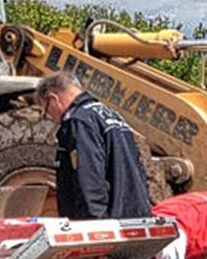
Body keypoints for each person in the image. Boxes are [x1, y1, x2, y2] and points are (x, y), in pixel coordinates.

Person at [35, 72, 152, 220]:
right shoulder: (113, 116)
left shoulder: (79, 121)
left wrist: (93, 224)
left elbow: (88, 176)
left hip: (108, 225)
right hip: (135, 217)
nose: (51, 118)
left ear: (53, 99)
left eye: (47, 111)